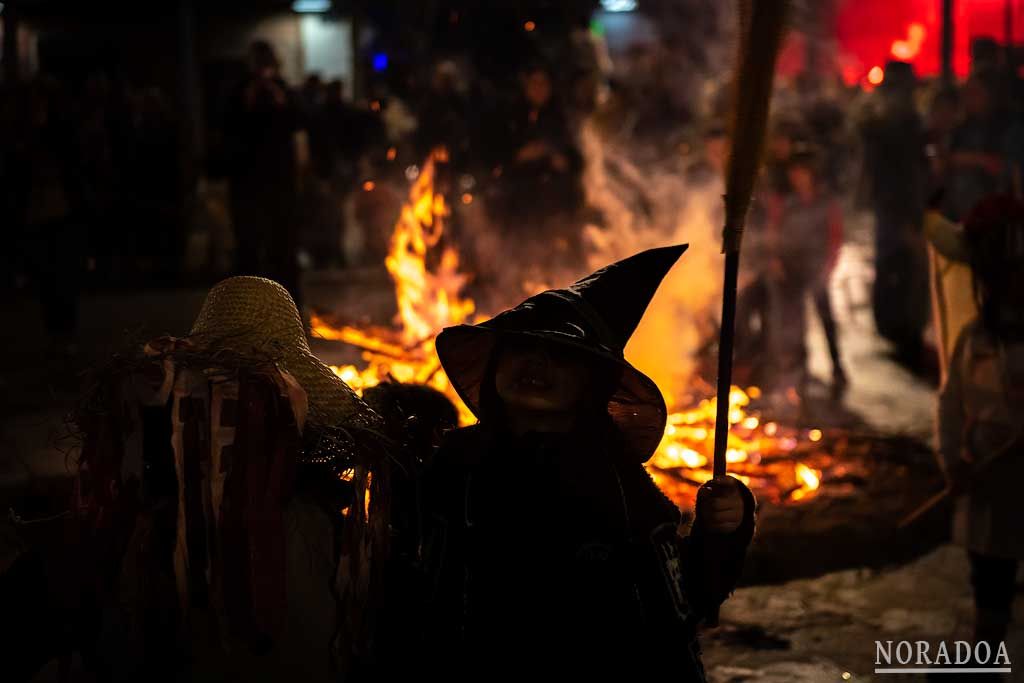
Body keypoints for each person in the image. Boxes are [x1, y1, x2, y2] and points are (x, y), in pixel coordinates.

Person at [410, 245, 755, 681]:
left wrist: (720, 531)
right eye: (521, 349)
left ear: (592, 384)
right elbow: (417, 576)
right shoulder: (457, 463)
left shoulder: (615, 479)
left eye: (561, 355)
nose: (536, 363)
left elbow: (680, 599)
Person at [937, 194, 1024, 662]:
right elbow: (951, 405)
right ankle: (984, 659)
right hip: (987, 484)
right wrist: (952, 462)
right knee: (989, 580)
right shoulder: (975, 339)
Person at [859, 60, 931, 371]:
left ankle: (903, 334)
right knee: (898, 271)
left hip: (899, 208)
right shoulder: (894, 125)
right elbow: (895, 175)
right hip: (896, 208)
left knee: (900, 272)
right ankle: (901, 335)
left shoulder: (895, 122)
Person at [224, 41, 301, 305]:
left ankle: (289, 306)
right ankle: (247, 308)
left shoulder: (284, 91)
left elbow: (297, 123)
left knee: (284, 245)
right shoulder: (239, 93)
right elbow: (229, 127)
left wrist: (277, 97)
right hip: (248, 181)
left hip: (280, 181)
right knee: (248, 246)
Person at [764, 148, 846, 397]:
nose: (798, 177)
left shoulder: (826, 201)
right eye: (794, 173)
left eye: (803, 172)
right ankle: (799, 371)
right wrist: (775, 258)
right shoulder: (785, 201)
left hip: (816, 265)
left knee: (826, 319)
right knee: (793, 321)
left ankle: (837, 367)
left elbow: (835, 236)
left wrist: (829, 267)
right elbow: (773, 231)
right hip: (791, 266)